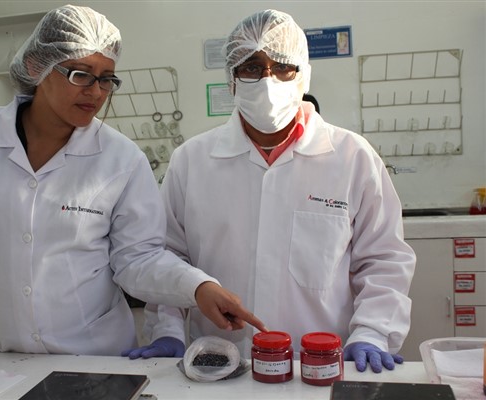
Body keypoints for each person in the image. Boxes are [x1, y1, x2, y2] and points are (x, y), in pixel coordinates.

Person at [0, 5, 265, 357]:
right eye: (81, 74)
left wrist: (197, 287)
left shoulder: (121, 160)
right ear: (37, 66)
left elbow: (137, 259)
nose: (96, 91)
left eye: (106, 78)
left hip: (91, 355)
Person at [127, 9, 416, 373]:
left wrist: (372, 332)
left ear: (303, 74)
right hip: (221, 362)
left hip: (320, 363)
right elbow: (169, 256)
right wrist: (167, 330)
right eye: (251, 67)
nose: (267, 80)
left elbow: (384, 259)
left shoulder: (352, 157)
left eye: (282, 67)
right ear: (231, 79)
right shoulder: (192, 160)